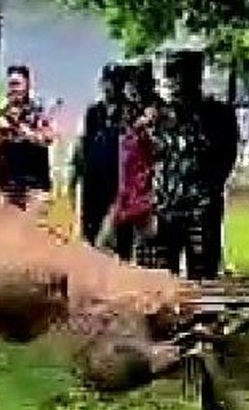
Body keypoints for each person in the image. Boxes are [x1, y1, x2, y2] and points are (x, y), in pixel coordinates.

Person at [145, 48, 238, 280]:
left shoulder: (217, 114)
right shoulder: (155, 116)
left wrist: (204, 196)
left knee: (202, 272)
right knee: (160, 276)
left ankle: (203, 315)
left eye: (177, 75)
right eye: (168, 76)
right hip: (164, 205)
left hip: (201, 207)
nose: (172, 83)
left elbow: (225, 159)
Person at [97, 61, 159, 264]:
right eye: (129, 85)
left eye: (137, 85)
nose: (131, 90)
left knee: (145, 252)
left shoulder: (154, 115)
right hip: (126, 192)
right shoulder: (126, 114)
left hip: (146, 194)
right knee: (104, 246)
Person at [70, 63, 126, 250]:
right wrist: (73, 179)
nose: (111, 87)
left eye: (116, 82)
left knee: (116, 242)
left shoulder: (129, 113)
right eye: (108, 82)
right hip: (92, 185)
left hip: (117, 186)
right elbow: (80, 146)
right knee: (90, 239)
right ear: (102, 83)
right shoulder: (93, 112)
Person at [0, 64, 56, 213]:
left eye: (17, 84)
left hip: (35, 186)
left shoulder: (39, 108)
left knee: (34, 231)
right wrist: (0, 133)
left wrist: (22, 129)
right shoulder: (0, 110)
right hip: (8, 186)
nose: (14, 89)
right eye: (11, 85)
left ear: (27, 85)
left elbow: (47, 138)